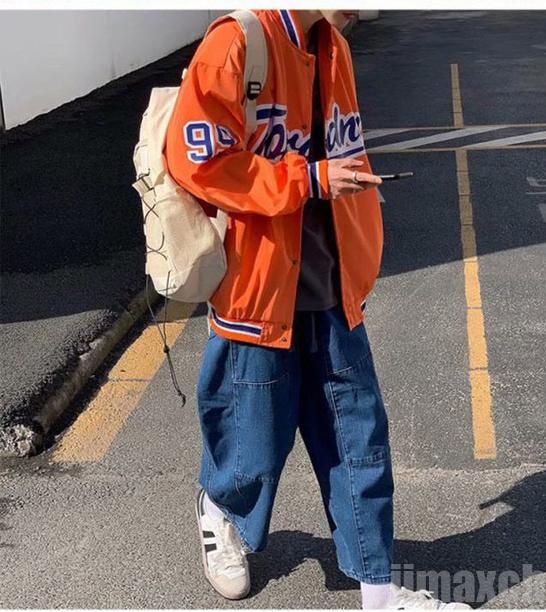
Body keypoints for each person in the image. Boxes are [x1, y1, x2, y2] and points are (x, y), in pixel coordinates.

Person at [165, 9, 470, 610]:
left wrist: (359, 242)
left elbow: (345, 153)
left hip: (333, 285)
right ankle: (219, 507)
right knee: (252, 444)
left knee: (359, 440)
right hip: (258, 294)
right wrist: (306, 180)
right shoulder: (237, 43)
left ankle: (378, 592)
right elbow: (196, 160)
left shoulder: (334, 47)